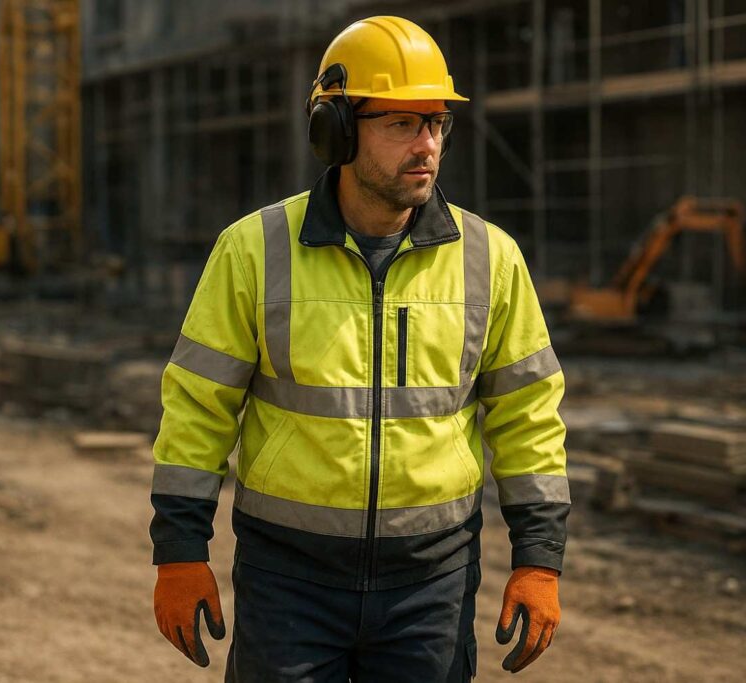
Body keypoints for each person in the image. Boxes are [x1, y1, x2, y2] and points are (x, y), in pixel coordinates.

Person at [149, 15, 570, 681]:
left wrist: (539, 556)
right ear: (336, 130)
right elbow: (198, 407)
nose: (427, 144)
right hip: (288, 579)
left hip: (431, 583)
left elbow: (529, 416)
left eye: (436, 123)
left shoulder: (491, 258)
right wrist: (179, 548)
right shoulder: (253, 251)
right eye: (402, 123)